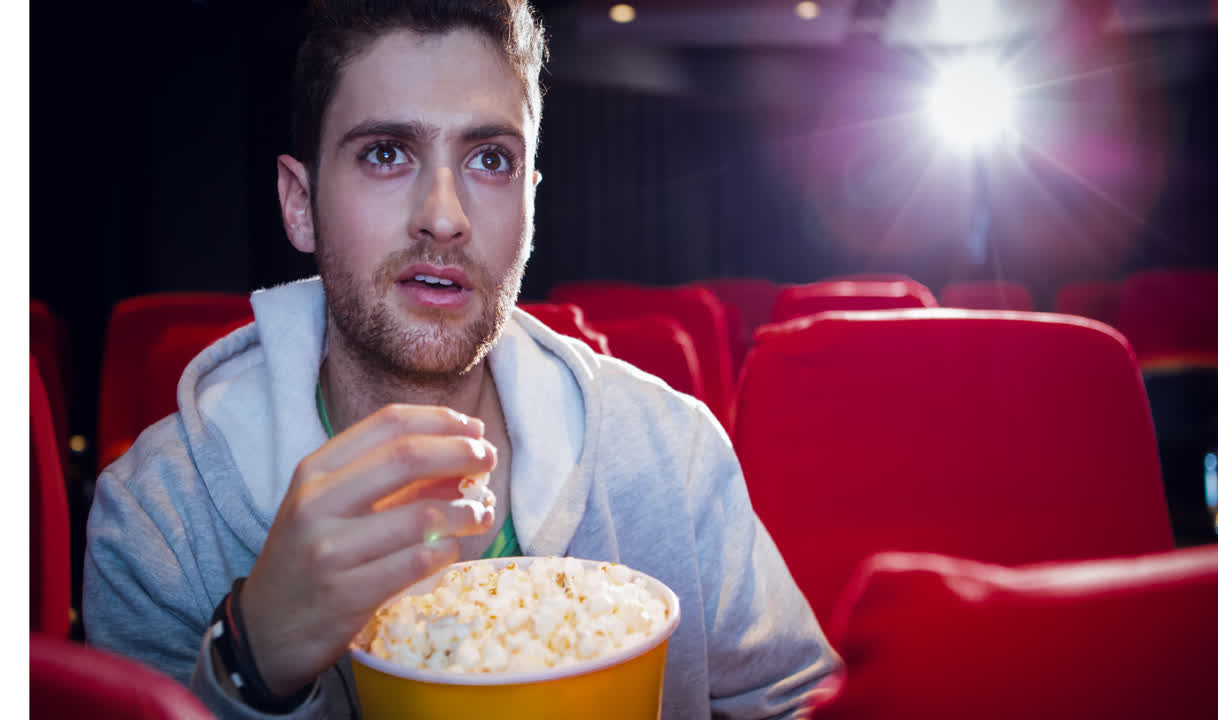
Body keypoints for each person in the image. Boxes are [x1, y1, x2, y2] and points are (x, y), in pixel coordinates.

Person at [82, 1, 840, 717]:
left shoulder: (674, 453)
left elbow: (801, 699)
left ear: (531, 206)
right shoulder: (161, 517)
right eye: (385, 153)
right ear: (298, 203)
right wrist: (248, 658)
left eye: (490, 159)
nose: (443, 217)